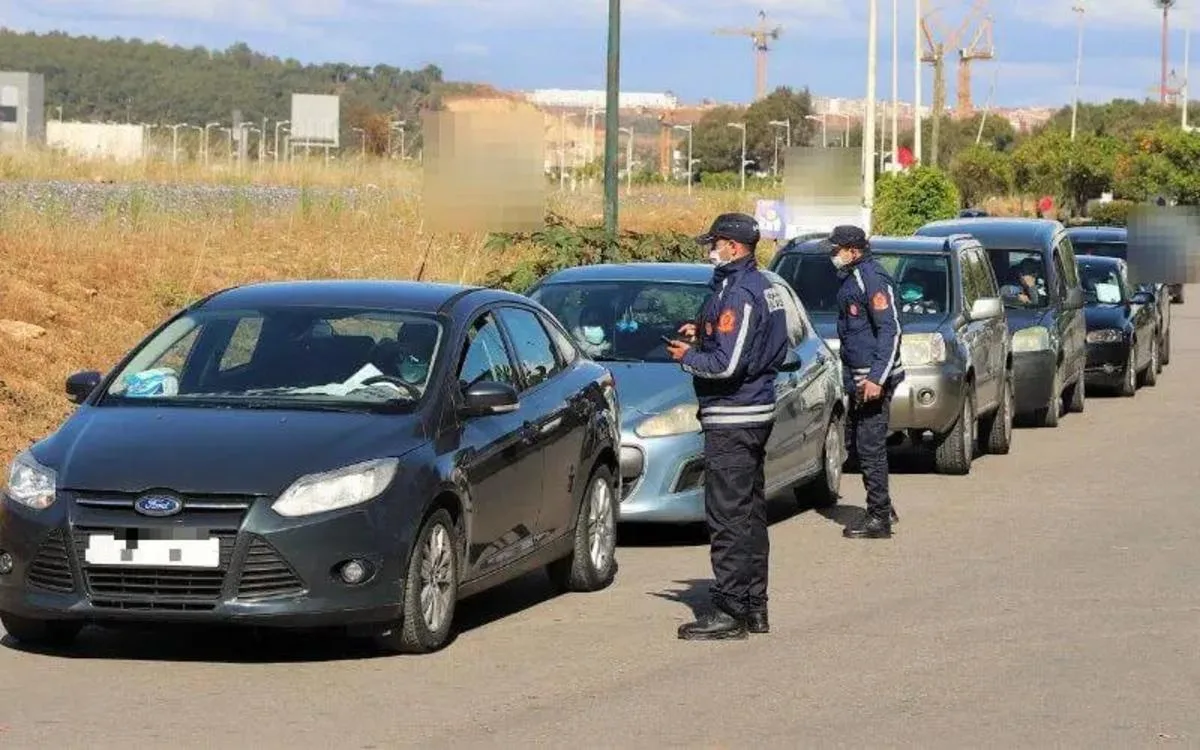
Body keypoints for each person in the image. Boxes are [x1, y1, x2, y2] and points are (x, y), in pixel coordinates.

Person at [664, 212, 790, 640]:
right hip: (752, 413)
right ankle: (754, 606)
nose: (710, 251)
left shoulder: (739, 292)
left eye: (715, 244)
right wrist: (702, 331)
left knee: (728, 517)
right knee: (750, 513)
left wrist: (688, 356)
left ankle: (731, 610)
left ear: (734, 247)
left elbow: (726, 364)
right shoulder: (761, 285)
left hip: (734, 417)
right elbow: (749, 340)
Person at [827, 225, 904, 540]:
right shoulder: (853, 277)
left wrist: (876, 378)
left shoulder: (871, 279)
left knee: (870, 448)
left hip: (873, 381)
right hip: (858, 379)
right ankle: (883, 506)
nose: (833, 255)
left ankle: (879, 518)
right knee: (857, 445)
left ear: (853, 251)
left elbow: (890, 330)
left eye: (837, 250)